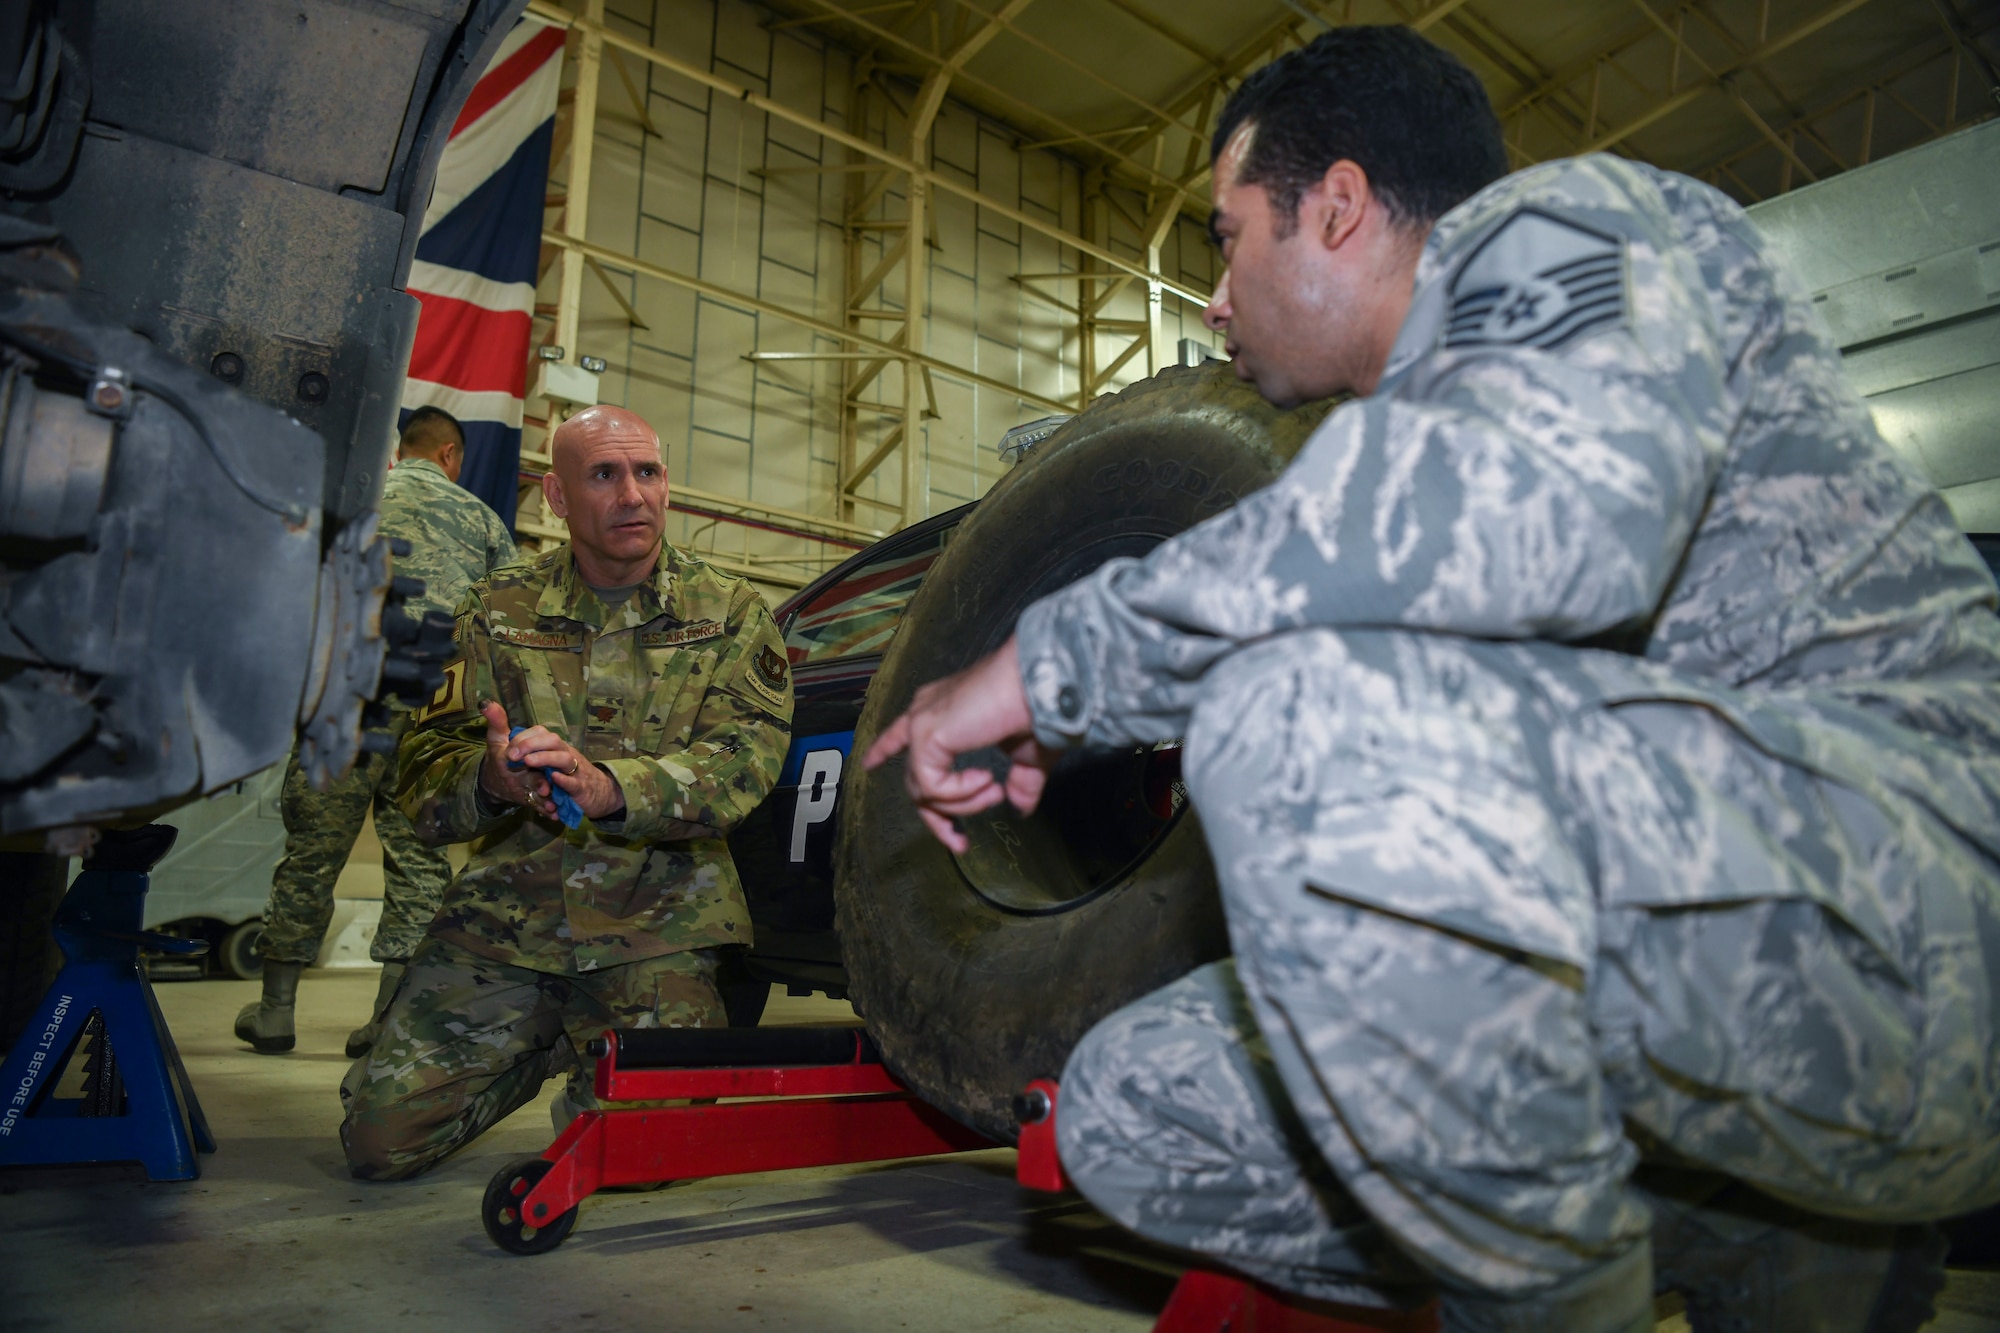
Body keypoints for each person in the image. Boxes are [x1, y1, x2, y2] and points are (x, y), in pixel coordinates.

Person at [866, 25, 2000, 1332]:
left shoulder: (1564, 223)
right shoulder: (1422, 432)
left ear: (1337, 208)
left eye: (1229, 239)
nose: (1215, 302)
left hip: (1926, 937)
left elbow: (1531, 530)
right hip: (1721, 963)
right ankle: (1743, 1229)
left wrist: (1046, 667)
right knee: (1137, 1101)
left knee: (1302, 721)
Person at [338, 403, 794, 1181]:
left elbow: (746, 759)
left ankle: (592, 1048)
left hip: (658, 924)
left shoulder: (731, 613)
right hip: (508, 921)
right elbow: (420, 768)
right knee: (380, 1144)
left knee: (639, 1157)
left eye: (647, 472)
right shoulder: (496, 611)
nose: (633, 495)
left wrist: (612, 787)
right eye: (605, 475)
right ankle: (546, 1039)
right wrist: (490, 778)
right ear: (556, 497)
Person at [237, 406, 518, 1058]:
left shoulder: (356, 497)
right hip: (436, 704)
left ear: (405, 449)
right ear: (451, 455)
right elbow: (508, 617)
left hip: (345, 693)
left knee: (312, 847)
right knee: (420, 854)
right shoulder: (481, 519)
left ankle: (276, 1010)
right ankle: (388, 1018)